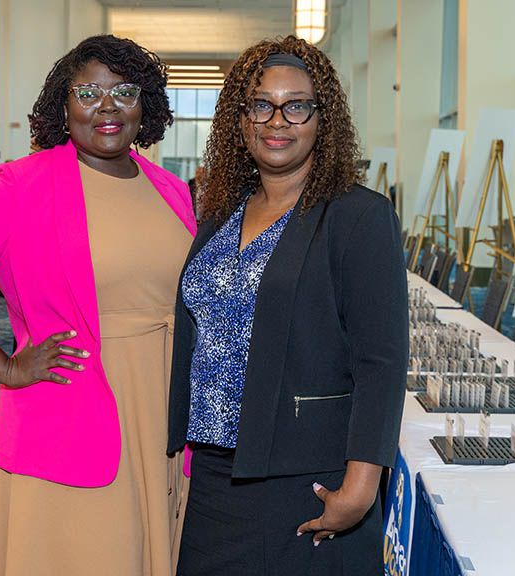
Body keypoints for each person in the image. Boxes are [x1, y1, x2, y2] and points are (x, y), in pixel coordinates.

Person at [0, 34, 196, 576]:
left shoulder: (169, 188)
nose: (107, 107)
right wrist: (5, 367)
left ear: (144, 103)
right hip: (71, 415)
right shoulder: (22, 186)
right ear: (63, 105)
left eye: (124, 91)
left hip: (163, 414)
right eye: (88, 93)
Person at [167, 36, 408, 576]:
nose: (278, 120)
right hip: (214, 475)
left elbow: (382, 361)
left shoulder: (358, 216)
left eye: (296, 105)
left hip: (306, 477)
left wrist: (361, 486)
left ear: (322, 119)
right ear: (240, 119)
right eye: (261, 104)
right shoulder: (221, 212)